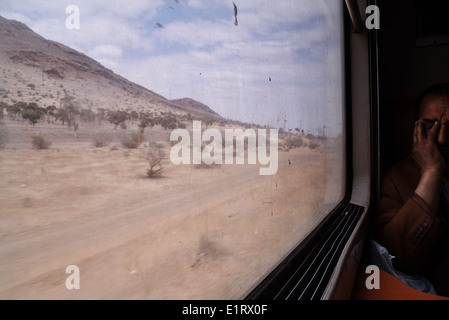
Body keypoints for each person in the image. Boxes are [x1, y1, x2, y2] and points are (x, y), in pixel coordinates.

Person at [375, 82, 449, 297]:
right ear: (416, 129)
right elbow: (398, 258)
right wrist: (431, 172)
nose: (442, 138)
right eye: (429, 125)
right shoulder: (397, 178)